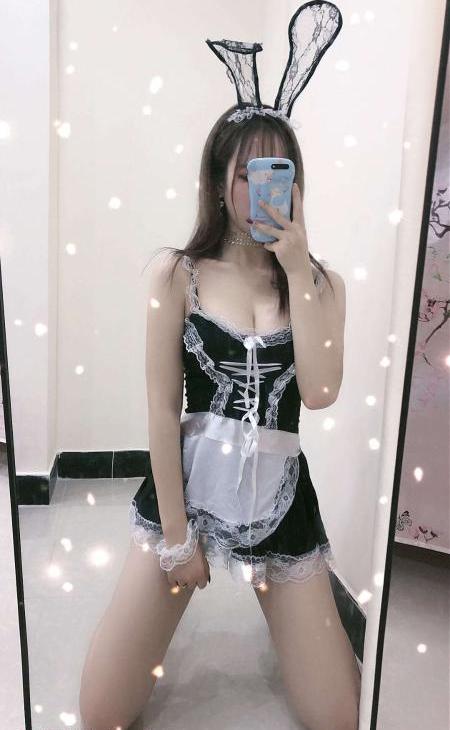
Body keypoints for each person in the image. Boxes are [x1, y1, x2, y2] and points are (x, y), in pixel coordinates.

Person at [79, 104, 361, 730]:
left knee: (338, 716)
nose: (264, 189)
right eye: (246, 174)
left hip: (280, 500)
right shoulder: (177, 274)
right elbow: (161, 410)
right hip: (187, 492)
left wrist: (296, 266)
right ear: (216, 181)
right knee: (102, 713)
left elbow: (319, 392)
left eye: (279, 171)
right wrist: (176, 538)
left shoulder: (324, 285)